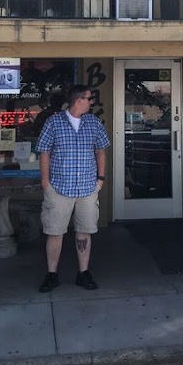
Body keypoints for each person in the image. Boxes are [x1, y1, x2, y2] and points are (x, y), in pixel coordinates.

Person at [36, 83, 110, 293]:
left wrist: (100, 180)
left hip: (87, 187)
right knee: (54, 231)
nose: (91, 102)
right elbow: (44, 152)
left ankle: (83, 273)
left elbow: (101, 151)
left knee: (84, 232)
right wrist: (45, 183)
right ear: (78, 100)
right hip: (59, 187)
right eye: (89, 99)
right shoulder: (54, 122)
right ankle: (51, 274)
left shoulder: (93, 123)